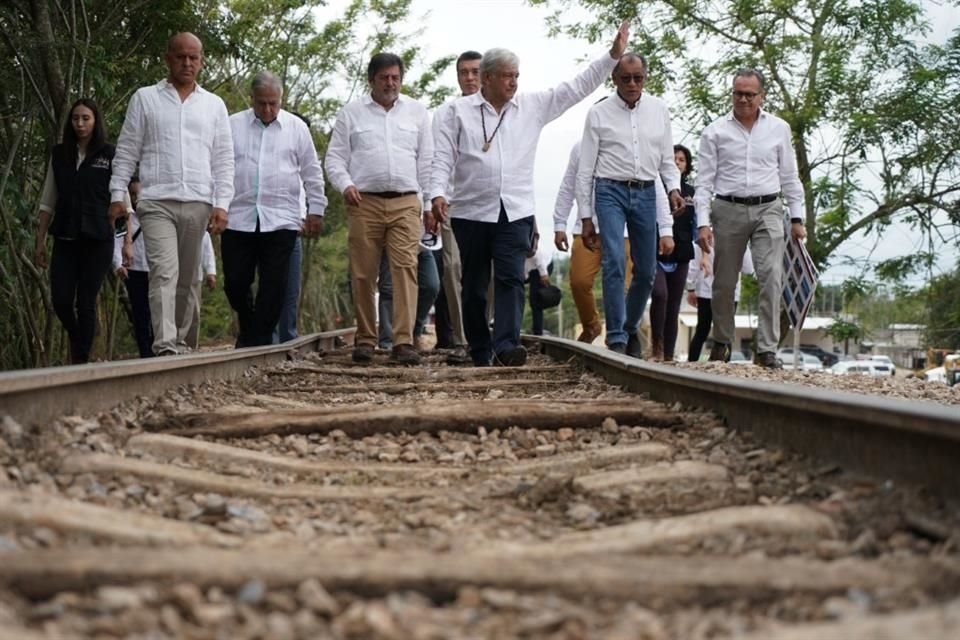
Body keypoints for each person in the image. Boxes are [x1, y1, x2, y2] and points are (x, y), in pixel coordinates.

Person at [430, 21, 631, 367]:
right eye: (507, 76)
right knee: (475, 285)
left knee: (510, 278)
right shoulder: (455, 111)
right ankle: (480, 348)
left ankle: (507, 346)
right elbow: (442, 156)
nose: (513, 82)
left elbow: (576, 87)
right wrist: (435, 193)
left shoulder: (531, 107)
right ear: (488, 78)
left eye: (517, 76)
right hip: (470, 212)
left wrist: (612, 57)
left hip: (516, 211)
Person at [108, 32, 234, 356]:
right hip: (156, 200)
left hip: (198, 202)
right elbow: (125, 152)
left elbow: (223, 160)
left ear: (202, 62)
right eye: (181, 56)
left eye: (194, 57)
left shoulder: (214, 105)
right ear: (168, 59)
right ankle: (164, 346)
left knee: (189, 279)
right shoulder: (145, 98)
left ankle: (183, 344)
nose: (187, 63)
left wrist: (222, 205)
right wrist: (116, 195)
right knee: (163, 271)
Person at [694, 68, 806, 368]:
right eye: (737, 93)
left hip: (768, 208)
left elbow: (790, 176)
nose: (742, 99)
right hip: (727, 209)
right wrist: (702, 223)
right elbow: (704, 182)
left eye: (749, 94)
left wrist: (797, 218)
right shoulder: (715, 131)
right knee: (724, 282)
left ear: (761, 96)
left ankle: (767, 349)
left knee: (771, 276)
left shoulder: (779, 128)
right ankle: (721, 343)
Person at [326, 52, 433, 366]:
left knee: (405, 271)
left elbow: (426, 162)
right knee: (363, 274)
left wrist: (427, 204)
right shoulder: (351, 113)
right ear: (371, 79)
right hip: (365, 203)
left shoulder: (416, 112)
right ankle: (366, 338)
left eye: (395, 77)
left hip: (405, 201)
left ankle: (403, 341)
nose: (391, 83)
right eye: (385, 77)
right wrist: (345, 184)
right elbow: (333, 158)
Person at [577, 52, 683, 357]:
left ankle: (627, 324)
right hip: (609, 190)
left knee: (648, 270)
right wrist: (586, 217)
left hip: (647, 191)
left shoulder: (659, 110)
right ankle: (618, 338)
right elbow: (586, 168)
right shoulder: (598, 114)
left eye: (638, 78)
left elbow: (666, 159)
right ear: (614, 79)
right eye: (626, 78)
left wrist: (674, 188)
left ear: (645, 78)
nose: (633, 84)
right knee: (614, 261)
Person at [224, 71, 326, 348]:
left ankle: (256, 343)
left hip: (281, 219)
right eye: (261, 104)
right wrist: (217, 206)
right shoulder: (232, 125)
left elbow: (311, 172)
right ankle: (250, 328)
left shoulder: (296, 128)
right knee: (235, 282)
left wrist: (316, 208)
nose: (267, 110)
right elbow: (220, 168)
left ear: (281, 100)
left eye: (273, 103)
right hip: (238, 217)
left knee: (274, 287)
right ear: (252, 99)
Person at [34, 98, 120, 364]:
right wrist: (39, 242)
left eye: (86, 118)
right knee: (61, 300)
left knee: (86, 300)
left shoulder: (109, 154)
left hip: (98, 238)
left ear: (95, 121)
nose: (80, 123)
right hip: (66, 236)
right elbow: (48, 200)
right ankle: (77, 338)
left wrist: (126, 242)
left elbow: (121, 202)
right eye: (75, 118)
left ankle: (81, 360)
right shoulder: (60, 154)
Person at [430, 50, 483, 364]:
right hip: (452, 203)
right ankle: (463, 340)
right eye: (464, 72)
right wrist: (433, 198)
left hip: (491, 206)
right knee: (451, 269)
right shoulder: (445, 112)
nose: (469, 77)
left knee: (485, 273)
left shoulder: (499, 110)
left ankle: (484, 332)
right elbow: (436, 159)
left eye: (475, 71)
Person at [552, 140, 633, 344]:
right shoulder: (581, 147)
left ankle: (618, 335)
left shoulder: (631, 142)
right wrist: (560, 223)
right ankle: (591, 325)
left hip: (623, 230)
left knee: (623, 287)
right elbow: (568, 185)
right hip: (587, 229)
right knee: (580, 281)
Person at [648, 144, 697, 361]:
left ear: (686, 166)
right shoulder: (653, 187)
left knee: (674, 305)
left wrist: (705, 253)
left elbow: (696, 225)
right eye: (673, 159)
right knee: (660, 295)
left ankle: (668, 354)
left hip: (682, 252)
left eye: (681, 160)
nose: (677, 163)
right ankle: (655, 345)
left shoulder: (691, 193)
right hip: (655, 251)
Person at [686, 240, 754, 362]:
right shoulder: (739, 240)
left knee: (701, 331)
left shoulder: (703, 238)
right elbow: (748, 268)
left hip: (707, 291)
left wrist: (690, 288)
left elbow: (694, 267)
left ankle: (691, 362)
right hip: (730, 292)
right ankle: (724, 365)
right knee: (725, 333)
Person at [113, 177, 154, 358]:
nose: (137, 198)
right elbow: (117, 241)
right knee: (140, 312)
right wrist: (118, 264)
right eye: (133, 194)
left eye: (140, 194)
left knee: (156, 310)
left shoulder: (156, 217)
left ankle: (159, 346)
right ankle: (146, 351)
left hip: (155, 271)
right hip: (135, 270)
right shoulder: (124, 219)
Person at [185, 232, 216, 350]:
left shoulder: (203, 232)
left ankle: (191, 346)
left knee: (193, 313)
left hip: (195, 277)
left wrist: (211, 273)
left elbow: (208, 252)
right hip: (174, 278)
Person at [525, 243, 553, 336]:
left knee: (535, 300)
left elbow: (537, 254)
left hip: (542, 265)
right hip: (528, 269)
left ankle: (537, 332)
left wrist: (543, 273)